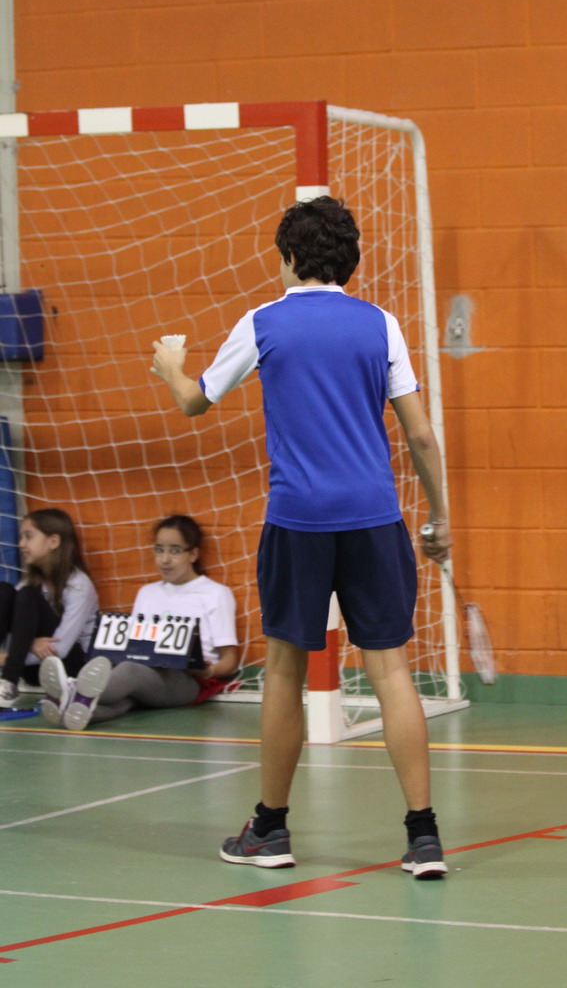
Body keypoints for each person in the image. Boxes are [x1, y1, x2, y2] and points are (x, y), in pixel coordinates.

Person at [150, 196, 452, 879]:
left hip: (298, 521)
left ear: (288, 258)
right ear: (349, 260)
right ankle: (424, 837)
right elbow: (421, 435)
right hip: (374, 517)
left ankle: (271, 829)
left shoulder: (263, 321)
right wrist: (439, 519)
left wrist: (170, 364)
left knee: (286, 669)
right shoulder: (381, 324)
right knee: (391, 670)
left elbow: (195, 400)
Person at [39, 514, 240, 731]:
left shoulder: (215, 593)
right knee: (128, 696)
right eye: (159, 550)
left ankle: (71, 690)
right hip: (148, 674)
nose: (165, 559)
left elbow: (230, 659)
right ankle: (72, 708)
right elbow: (135, 646)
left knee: (130, 672)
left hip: (189, 681)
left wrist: (208, 671)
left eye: (175, 550)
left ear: (193, 554)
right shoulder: (147, 593)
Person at [0, 508, 103, 709]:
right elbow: (16, 634)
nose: (21, 544)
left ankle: (9, 682)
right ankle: (8, 677)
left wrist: (7, 658)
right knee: (4, 590)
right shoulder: (30, 581)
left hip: (71, 667)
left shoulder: (79, 585)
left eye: (28, 536)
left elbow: (61, 649)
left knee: (27, 595)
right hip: (35, 667)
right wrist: (30, 644)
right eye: (21, 537)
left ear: (53, 542)